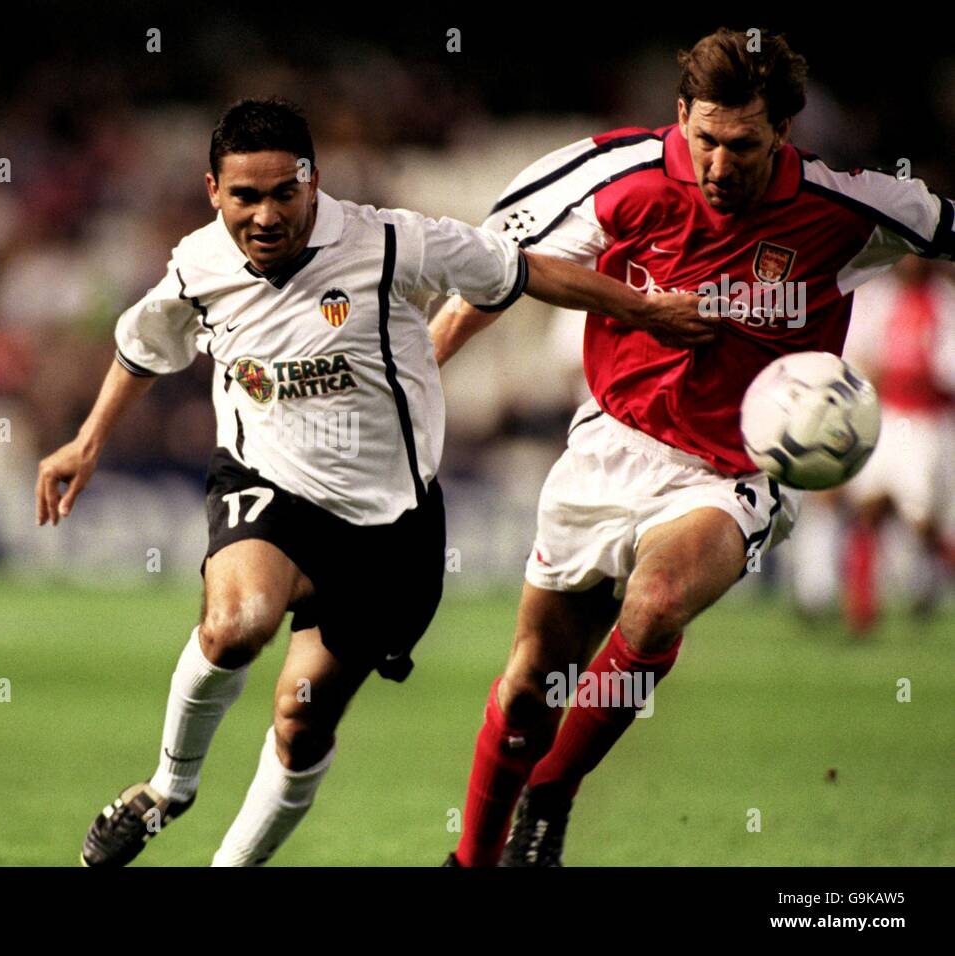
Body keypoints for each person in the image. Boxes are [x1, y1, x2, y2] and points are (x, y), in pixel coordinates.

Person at [35, 97, 701, 866]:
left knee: (301, 720)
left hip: (390, 531)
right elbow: (146, 346)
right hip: (267, 487)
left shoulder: (389, 242)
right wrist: (86, 443)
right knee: (236, 625)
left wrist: (644, 310)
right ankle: (168, 789)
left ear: (313, 183)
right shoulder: (198, 265)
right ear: (212, 190)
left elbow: (523, 271)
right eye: (245, 196)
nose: (266, 215)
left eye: (284, 192)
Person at [432, 28, 955, 866]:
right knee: (531, 686)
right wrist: (416, 378)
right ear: (681, 116)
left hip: (734, 470)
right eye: (704, 139)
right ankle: (472, 861)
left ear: (783, 131)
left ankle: (553, 791)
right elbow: (499, 268)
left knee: (657, 602)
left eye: (742, 145)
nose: (718, 164)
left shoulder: (849, 207)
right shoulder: (618, 175)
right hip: (611, 442)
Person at [840, 255, 955, 633]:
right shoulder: (879, 298)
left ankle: (932, 584)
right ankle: (862, 612)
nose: (910, 262)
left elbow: (943, 372)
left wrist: (909, 374)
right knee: (868, 510)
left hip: (926, 423)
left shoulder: (944, 303)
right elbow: (858, 354)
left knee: (922, 522)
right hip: (887, 417)